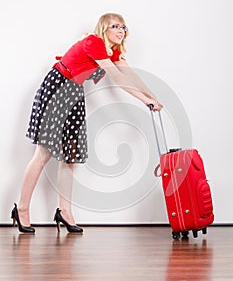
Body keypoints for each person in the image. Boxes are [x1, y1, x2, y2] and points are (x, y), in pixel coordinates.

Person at [11, 12, 163, 234]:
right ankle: (22, 209)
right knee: (43, 155)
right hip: (57, 88)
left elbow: (130, 76)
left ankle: (65, 211)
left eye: (123, 27)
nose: (121, 31)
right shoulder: (94, 42)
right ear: (104, 28)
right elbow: (118, 79)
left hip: (74, 93)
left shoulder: (115, 51)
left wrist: (152, 98)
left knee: (70, 157)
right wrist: (144, 100)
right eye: (115, 26)